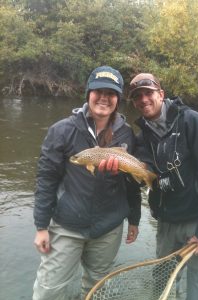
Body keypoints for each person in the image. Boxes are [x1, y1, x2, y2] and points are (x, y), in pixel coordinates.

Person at [101, 72, 198, 300]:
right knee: (161, 281)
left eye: (148, 93)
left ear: (161, 94)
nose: (143, 100)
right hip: (167, 222)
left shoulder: (193, 121)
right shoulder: (142, 136)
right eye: (137, 96)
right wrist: (126, 172)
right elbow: (143, 176)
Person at [32, 66, 141, 300]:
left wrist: (134, 219)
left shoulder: (127, 135)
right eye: (98, 91)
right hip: (67, 225)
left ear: (118, 99)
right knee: (50, 290)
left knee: (97, 287)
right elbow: (46, 179)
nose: (104, 97)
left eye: (111, 93)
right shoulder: (62, 131)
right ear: (88, 94)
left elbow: (131, 184)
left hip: (108, 228)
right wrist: (41, 226)